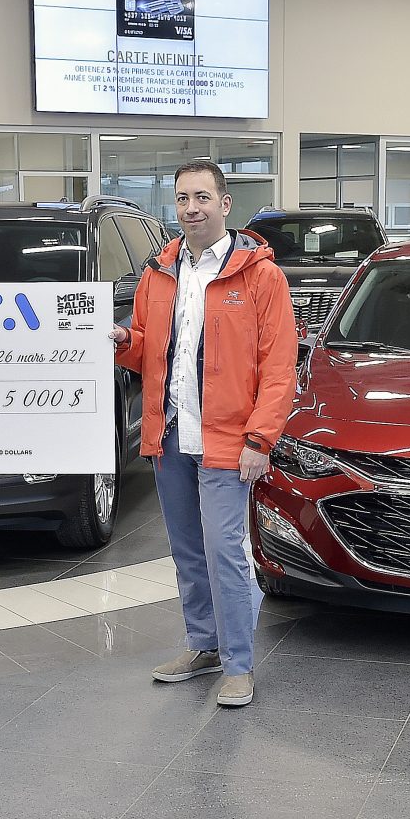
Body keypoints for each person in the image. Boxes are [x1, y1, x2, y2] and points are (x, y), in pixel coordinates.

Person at [110, 159, 294, 707]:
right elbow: (149, 350)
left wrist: (261, 440)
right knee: (188, 552)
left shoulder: (261, 276)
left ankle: (239, 663)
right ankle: (203, 645)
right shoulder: (159, 272)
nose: (192, 209)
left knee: (225, 553)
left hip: (228, 442)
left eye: (202, 198)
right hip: (169, 437)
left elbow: (279, 367)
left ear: (225, 203)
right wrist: (123, 339)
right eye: (183, 199)